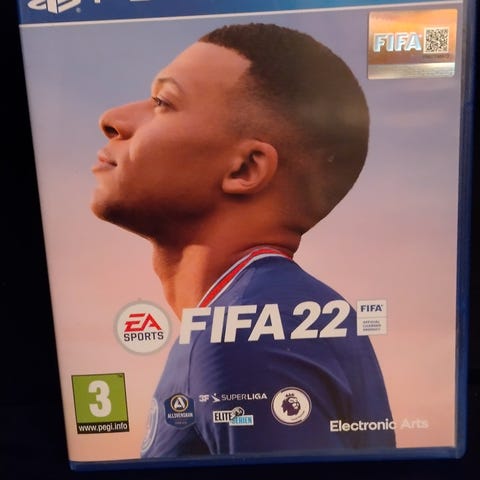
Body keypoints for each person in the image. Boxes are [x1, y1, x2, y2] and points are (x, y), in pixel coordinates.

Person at [90, 22, 396, 458]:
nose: (113, 119)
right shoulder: (269, 314)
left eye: (163, 102)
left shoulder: (244, 331)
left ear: (245, 169)